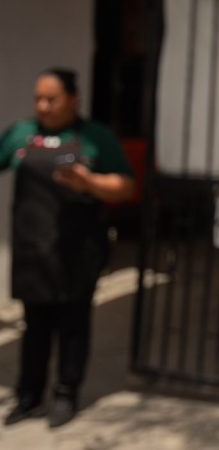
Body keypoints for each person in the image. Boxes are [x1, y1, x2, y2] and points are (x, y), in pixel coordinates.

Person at [0, 69, 135, 428]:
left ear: (73, 99)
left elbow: (125, 187)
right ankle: (27, 397)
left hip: (79, 250)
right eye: (38, 99)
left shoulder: (96, 138)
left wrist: (89, 182)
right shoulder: (20, 134)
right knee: (35, 326)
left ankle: (65, 394)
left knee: (73, 325)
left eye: (52, 99)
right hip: (32, 249)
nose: (43, 106)